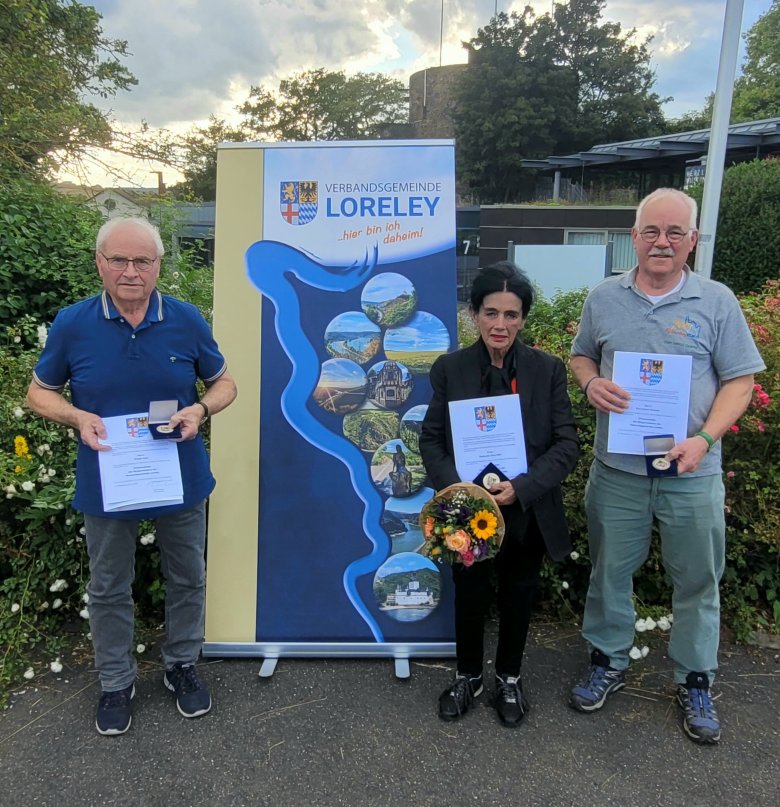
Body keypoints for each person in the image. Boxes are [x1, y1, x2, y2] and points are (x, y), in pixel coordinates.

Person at [568, 188, 765, 745]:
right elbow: (581, 354)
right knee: (610, 571)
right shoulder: (604, 297)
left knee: (698, 579)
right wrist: (590, 382)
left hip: (691, 472)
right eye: (652, 231)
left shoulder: (717, 301)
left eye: (675, 232)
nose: (662, 242)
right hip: (618, 471)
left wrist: (703, 440)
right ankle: (607, 660)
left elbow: (741, 382)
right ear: (633, 237)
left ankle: (695, 679)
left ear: (692, 240)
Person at [27, 217, 237, 736]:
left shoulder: (186, 319)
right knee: (108, 585)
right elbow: (38, 393)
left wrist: (201, 410)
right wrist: (77, 416)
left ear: (158, 265)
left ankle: (181, 665)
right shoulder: (73, 323)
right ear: (99, 263)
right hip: (108, 476)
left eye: (142, 260)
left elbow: (225, 384)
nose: (130, 271)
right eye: (119, 259)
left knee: (187, 576)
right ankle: (116, 682)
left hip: (180, 474)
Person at [420, 262, 579, 727]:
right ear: (474, 314)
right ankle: (468, 676)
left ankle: (509, 678)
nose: (500, 324)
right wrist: (463, 491)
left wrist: (522, 487)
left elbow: (566, 444)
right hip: (468, 510)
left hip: (525, 507)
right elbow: (431, 439)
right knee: (469, 593)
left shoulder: (547, 370)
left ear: (523, 319)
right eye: (491, 313)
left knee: (518, 594)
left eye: (511, 315)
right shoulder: (450, 369)